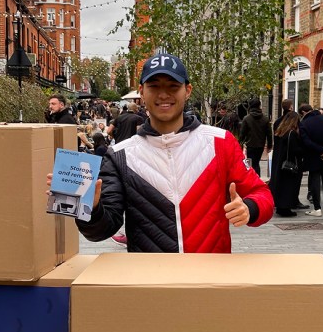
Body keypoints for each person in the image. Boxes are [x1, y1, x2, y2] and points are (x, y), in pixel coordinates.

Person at [68, 52, 274, 252]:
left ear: (188, 90)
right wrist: (91, 209)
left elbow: (262, 194)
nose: (163, 94)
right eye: (154, 86)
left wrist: (249, 208)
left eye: (173, 86)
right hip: (152, 275)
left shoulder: (220, 142)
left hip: (211, 273)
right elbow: (100, 231)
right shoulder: (119, 155)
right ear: (142, 91)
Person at [298, 103, 323, 217]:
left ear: (303, 113)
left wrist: (320, 150)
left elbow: (306, 141)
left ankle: (317, 208)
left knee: (314, 180)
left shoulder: (304, 123)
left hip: (312, 155)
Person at [268, 108, 304, 217]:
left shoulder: (280, 131)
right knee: (288, 186)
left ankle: (280, 207)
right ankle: (285, 208)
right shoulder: (292, 133)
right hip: (289, 164)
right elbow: (295, 149)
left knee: (281, 186)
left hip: (280, 163)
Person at [238, 99, 272, 176]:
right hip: (260, 145)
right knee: (256, 163)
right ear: (259, 106)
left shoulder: (247, 119)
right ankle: (257, 177)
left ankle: (251, 178)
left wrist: (240, 144)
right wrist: (269, 146)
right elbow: (269, 134)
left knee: (250, 163)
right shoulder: (265, 119)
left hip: (250, 144)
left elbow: (242, 134)